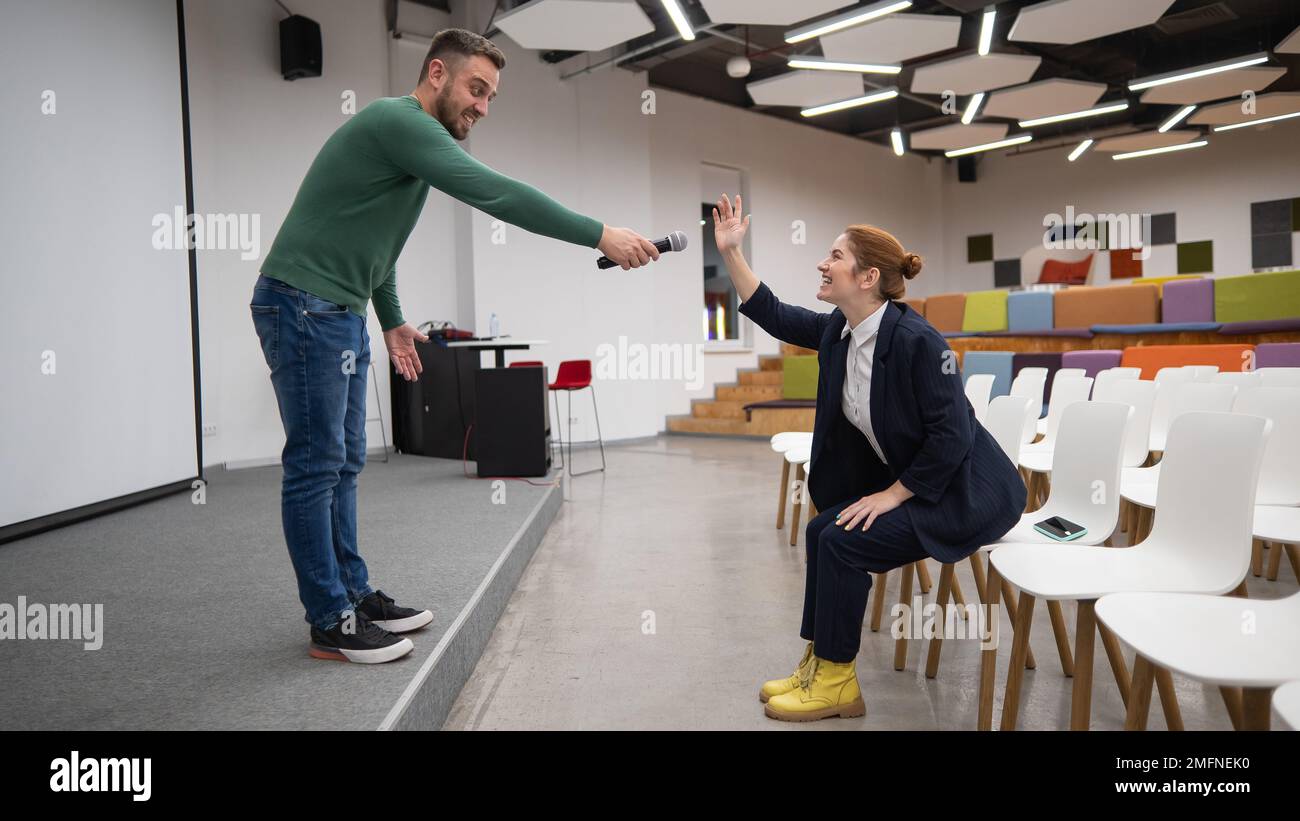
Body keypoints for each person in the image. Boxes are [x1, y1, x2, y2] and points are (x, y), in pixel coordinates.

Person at [251, 28, 660, 664]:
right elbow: (494, 191)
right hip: (302, 303)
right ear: (436, 73)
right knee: (315, 463)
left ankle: (354, 594)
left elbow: (379, 246)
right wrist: (597, 233)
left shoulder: (415, 147)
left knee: (346, 458)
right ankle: (329, 618)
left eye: (492, 96)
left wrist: (390, 319)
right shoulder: (402, 122)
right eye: (477, 89)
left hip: (335, 309)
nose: (483, 107)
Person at [711, 194, 1026, 721]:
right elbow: (775, 314)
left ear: (867, 277)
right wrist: (732, 253)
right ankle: (819, 661)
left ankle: (838, 682)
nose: (822, 262)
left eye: (834, 255)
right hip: (921, 484)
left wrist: (892, 495)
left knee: (841, 543)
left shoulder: (919, 342)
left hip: (964, 493)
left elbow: (951, 437)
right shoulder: (840, 332)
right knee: (821, 531)